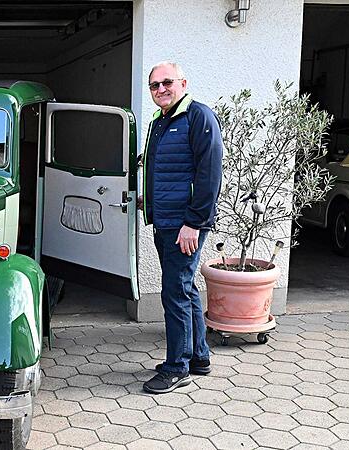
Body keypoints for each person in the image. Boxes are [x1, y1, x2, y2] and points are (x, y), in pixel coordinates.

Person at [138, 61, 223, 394]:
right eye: (154, 85)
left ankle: (177, 368)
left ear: (182, 83)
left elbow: (209, 174)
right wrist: (149, 201)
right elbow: (166, 171)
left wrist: (194, 223)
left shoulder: (198, 117)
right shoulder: (160, 121)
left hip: (184, 225)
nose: (160, 89)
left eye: (167, 82)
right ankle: (198, 357)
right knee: (184, 289)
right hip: (165, 220)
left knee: (174, 292)